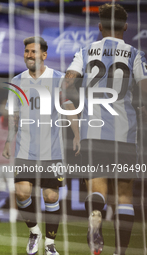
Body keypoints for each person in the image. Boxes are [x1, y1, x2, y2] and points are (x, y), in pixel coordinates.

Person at [61, 4, 147, 255]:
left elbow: (65, 88)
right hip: (125, 134)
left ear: (99, 26)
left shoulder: (85, 52)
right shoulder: (134, 54)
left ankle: (95, 223)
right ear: (126, 26)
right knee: (123, 195)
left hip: (92, 133)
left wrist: (77, 111)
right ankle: (120, 252)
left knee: (97, 188)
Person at [3, 36, 80, 255]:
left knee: (51, 197)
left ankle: (49, 244)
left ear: (44, 55)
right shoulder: (17, 81)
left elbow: (69, 107)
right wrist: (9, 138)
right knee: (21, 192)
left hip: (52, 150)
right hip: (24, 148)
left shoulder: (58, 79)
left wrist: (77, 134)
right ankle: (34, 232)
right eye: (27, 51)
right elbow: (14, 114)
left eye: (34, 52)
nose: (29, 55)